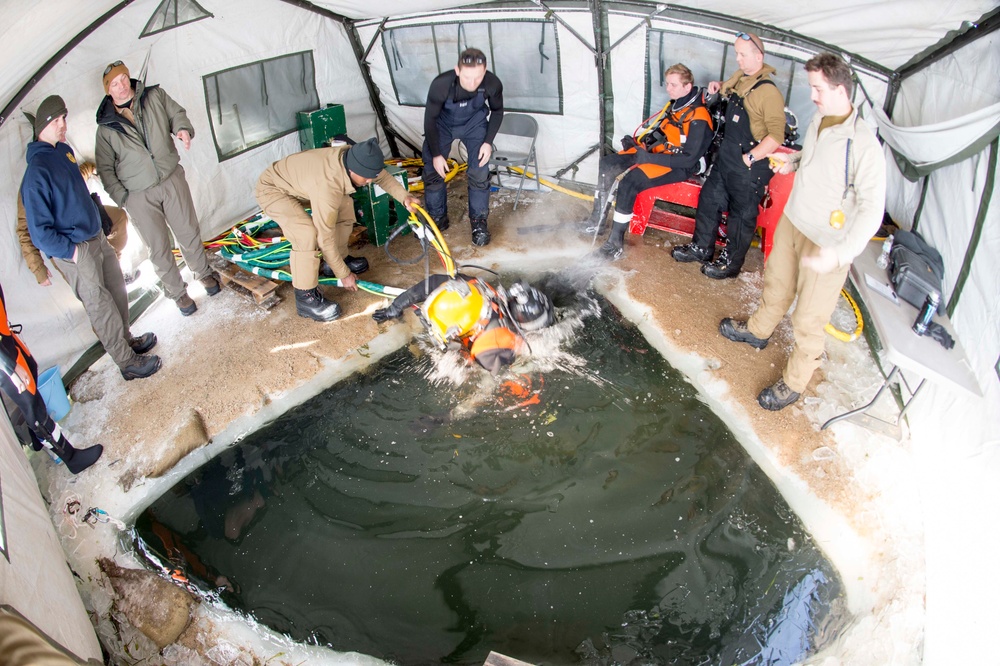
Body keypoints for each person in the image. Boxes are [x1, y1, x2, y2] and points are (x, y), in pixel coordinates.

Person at [717, 52, 886, 410]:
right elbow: (811, 154)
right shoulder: (821, 119)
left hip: (826, 243)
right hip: (795, 221)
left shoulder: (865, 145)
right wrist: (792, 161)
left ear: (841, 89)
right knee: (776, 284)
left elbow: (872, 210)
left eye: (818, 88)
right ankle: (759, 332)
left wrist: (840, 253)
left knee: (809, 317)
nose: (812, 96)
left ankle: (794, 382)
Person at [20, 95, 161, 382]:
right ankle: (127, 362)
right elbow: (38, 232)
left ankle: (126, 340)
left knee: (117, 291)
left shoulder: (63, 151)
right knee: (100, 305)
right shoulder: (36, 173)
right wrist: (72, 253)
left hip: (95, 236)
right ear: (44, 125)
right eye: (58, 120)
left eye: (64, 118)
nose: (64, 125)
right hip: (76, 250)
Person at [95, 60, 219, 316]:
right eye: (114, 84)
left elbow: (176, 114)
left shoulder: (154, 96)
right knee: (158, 246)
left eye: (123, 79)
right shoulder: (105, 128)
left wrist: (182, 129)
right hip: (138, 195)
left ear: (129, 78)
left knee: (188, 230)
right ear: (109, 91)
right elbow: (105, 169)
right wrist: (124, 198)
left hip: (171, 178)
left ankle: (204, 273)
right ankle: (178, 293)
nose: (121, 87)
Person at [255, 138, 419, 322]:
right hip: (273, 190)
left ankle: (334, 262)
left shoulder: (356, 157)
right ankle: (305, 298)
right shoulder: (327, 187)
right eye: (366, 178)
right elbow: (324, 238)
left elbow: (382, 176)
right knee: (306, 233)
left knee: (346, 204)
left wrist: (405, 197)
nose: (369, 181)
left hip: (301, 184)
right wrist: (345, 275)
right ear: (352, 171)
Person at [671, 32, 786, 279]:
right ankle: (702, 248)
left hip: (748, 164)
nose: (738, 59)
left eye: (743, 55)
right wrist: (718, 86)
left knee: (741, 215)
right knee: (709, 200)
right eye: (736, 54)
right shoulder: (742, 78)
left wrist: (750, 158)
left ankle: (730, 264)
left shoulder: (769, 92)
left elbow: (777, 136)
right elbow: (730, 88)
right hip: (727, 157)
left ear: (759, 56)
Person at [582, 63, 713, 261]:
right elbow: (662, 132)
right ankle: (596, 221)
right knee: (608, 164)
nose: (668, 89)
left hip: (678, 165)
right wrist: (637, 143)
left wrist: (649, 158)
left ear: (688, 87)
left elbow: (689, 158)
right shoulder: (676, 105)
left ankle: (615, 243)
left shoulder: (699, 117)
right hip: (657, 154)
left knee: (629, 182)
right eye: (667, 84)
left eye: (673, 85)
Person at [1, 281, 105, 474]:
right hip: (5, 358)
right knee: (32, 405)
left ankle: (48, 442)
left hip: (8, 342)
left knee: (33, 390)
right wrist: (9, 366)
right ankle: (71, 457)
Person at [372, 274, 554, 374]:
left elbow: (435, 281)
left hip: (490, 341)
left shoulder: (484, 293)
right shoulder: (473, 293)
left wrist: (395, 307)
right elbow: (435, 281)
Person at [422, 48, 504, 247]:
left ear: (484, 71)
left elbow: (497, 110)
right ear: (457, 70)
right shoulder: (441, 85)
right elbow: (430, 119)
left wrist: (487, 142)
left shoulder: (492, 83)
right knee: (433, 171)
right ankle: (437, 218)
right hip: (443, 124)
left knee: (479, 171)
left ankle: (479, 222)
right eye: (467, 77)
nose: (472, 83)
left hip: (474, 123)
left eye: (478, 77)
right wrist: (436, 154)